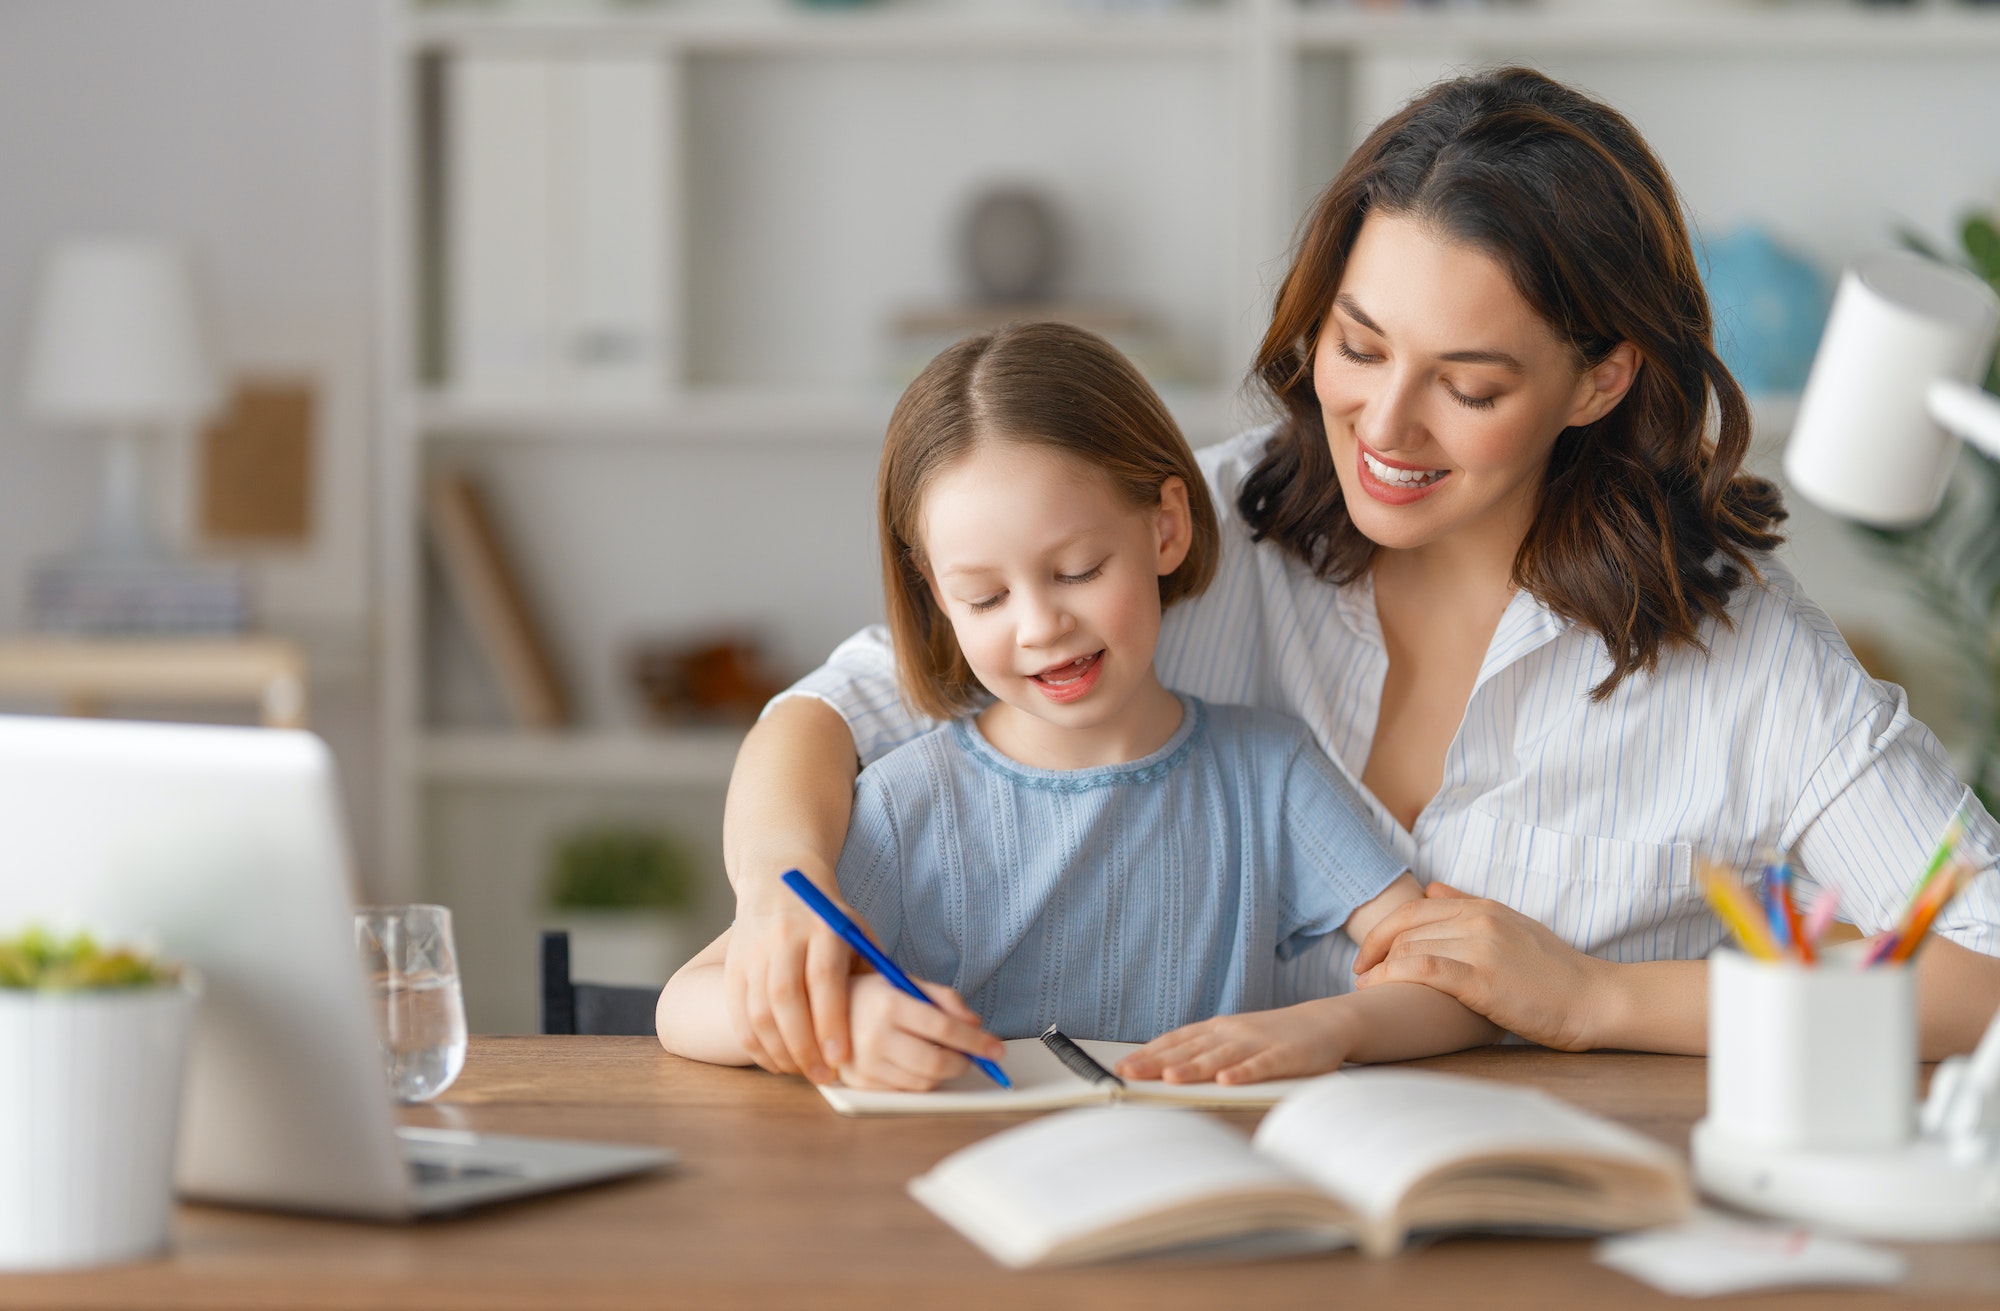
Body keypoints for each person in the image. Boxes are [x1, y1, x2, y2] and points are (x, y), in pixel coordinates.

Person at [718, 67, 2000, 1087]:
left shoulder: (1736, 652)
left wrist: (1595, 998)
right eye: (1356, 344)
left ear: (1597, 380)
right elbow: (833, 714)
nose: (1384, 425)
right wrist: (784, 899)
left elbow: (1980, 960)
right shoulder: (1193, 532)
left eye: (1468, 383)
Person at [656, 322, 1497, 1089]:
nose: (1040, 626)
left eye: (1078, 571)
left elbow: (1448, 982)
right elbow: (683, 1003)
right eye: (984, 597)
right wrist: (841, 1024)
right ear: (937, 597)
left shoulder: (1267, 773)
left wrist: (1328, 1027)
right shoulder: (906, 803)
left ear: (1166, 527)